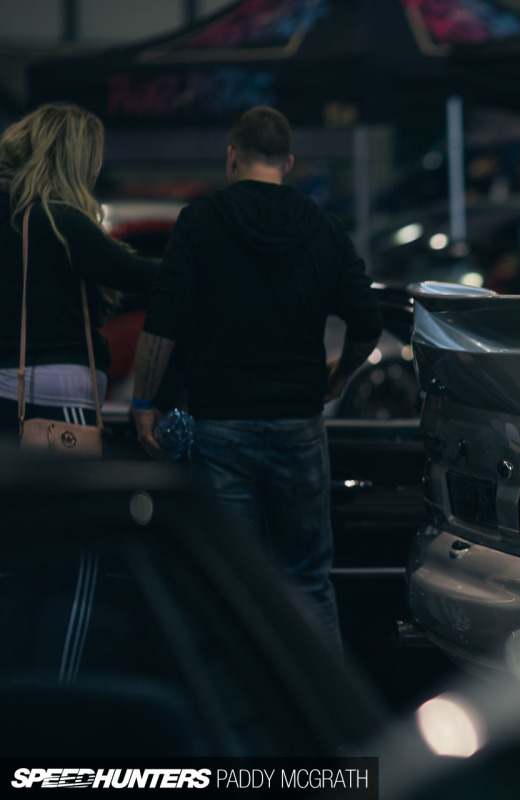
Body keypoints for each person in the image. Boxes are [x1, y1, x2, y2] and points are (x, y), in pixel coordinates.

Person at [130, 106, 382, 650]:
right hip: (298, 421)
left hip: (220, 425)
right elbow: (367, 322)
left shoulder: (200, 221)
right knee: (310, 581)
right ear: (288, 162)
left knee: (227, 581)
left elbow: (163, 321)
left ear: (230, 155)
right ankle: (328, 722)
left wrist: (144, 401)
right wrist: (339, 376)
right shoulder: (323, 226)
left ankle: (234, 723)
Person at [0, 103, 158, 438]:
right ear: (72, 159)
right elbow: (134, 272)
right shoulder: (56, 218)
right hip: (53, 388)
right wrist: (200, 260)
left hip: (6, 385)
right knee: (65, 489)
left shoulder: (12, 213)